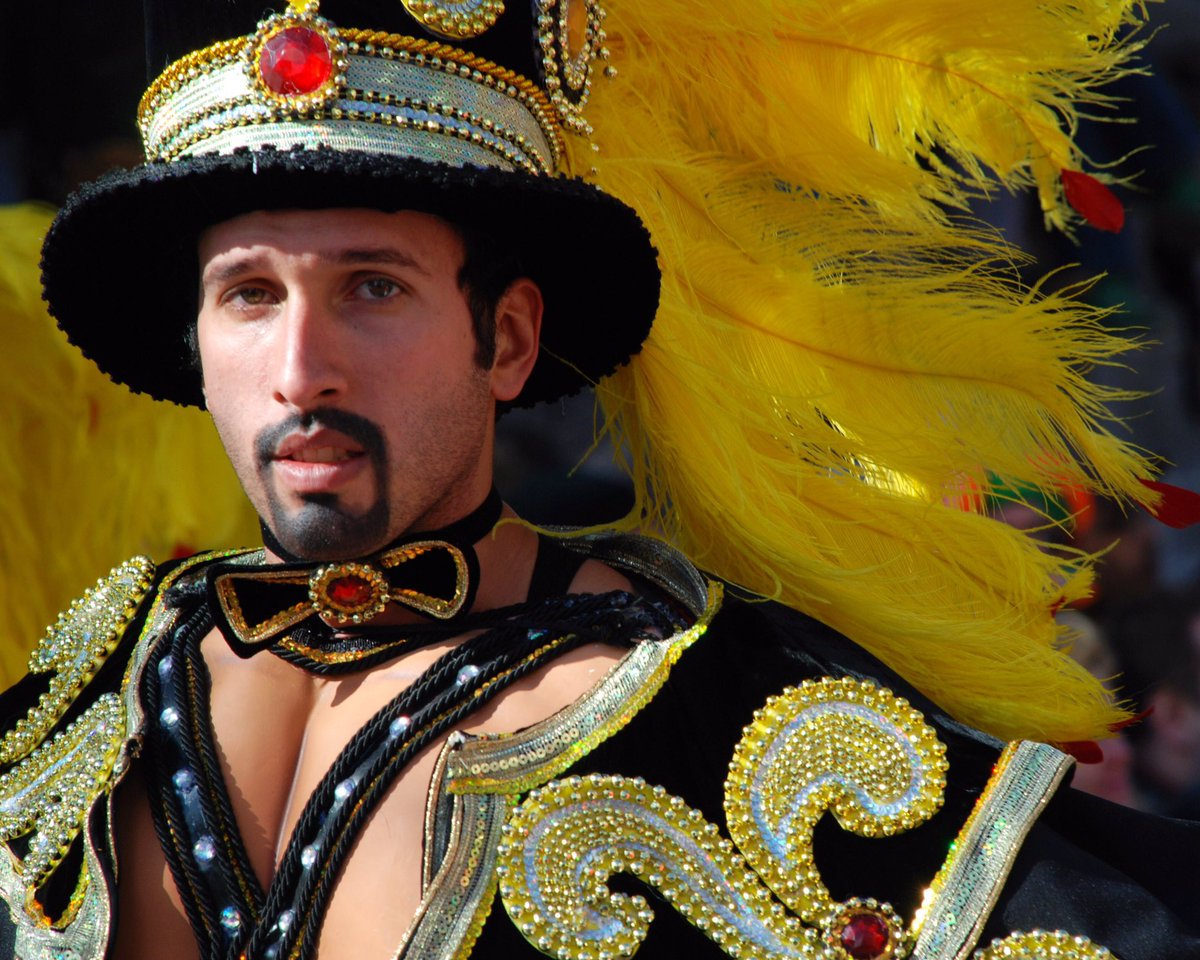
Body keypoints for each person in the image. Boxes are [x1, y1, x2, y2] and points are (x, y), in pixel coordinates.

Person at [2, 1, 1199, 959]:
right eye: (249, 296)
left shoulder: (723, 711)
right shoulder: (79, 690)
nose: (300, 371)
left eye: (375, 288)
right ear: (195, 341)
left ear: (508, 340)